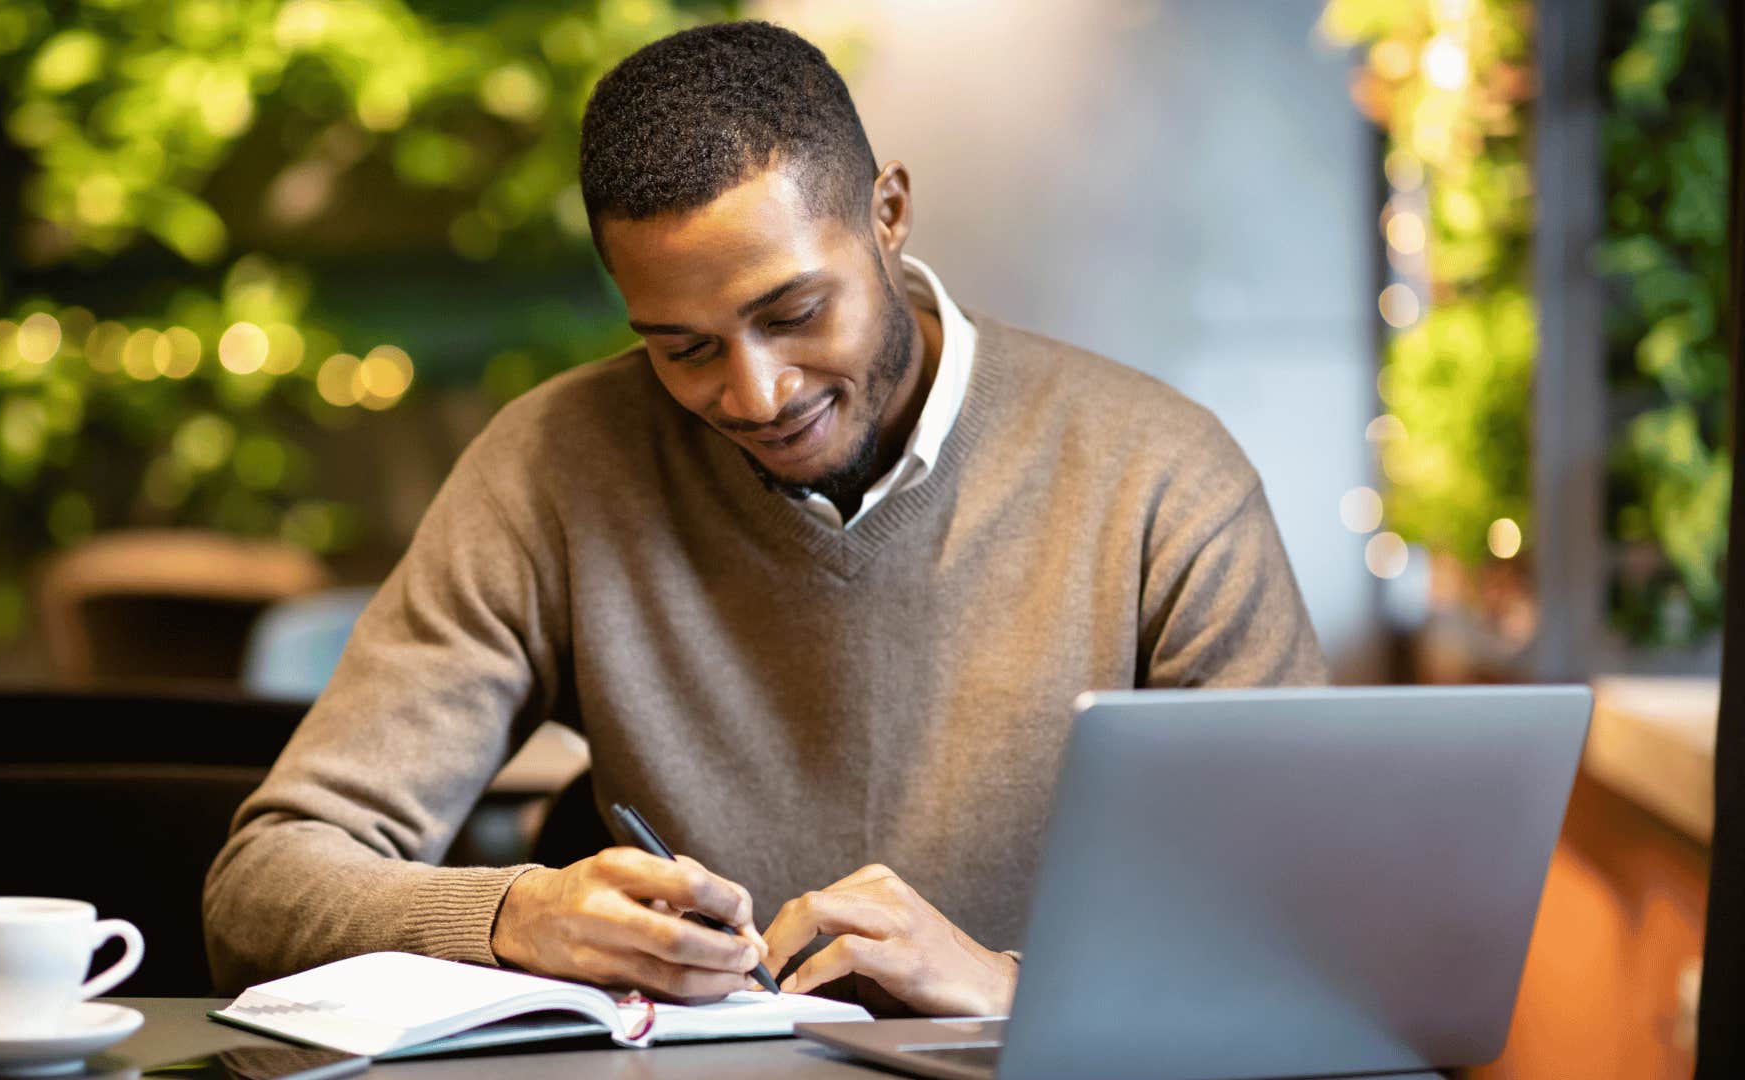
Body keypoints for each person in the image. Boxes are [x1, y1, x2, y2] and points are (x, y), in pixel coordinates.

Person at [204, 20, 1325, 1017]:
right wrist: (515, 917)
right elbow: (262, 889)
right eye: (681, 347)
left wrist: (1006, 988)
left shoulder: (1160, 472)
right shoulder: (552, 466)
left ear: (889, 212)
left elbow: (1311, 923)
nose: (755, 394)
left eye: (793, 312)